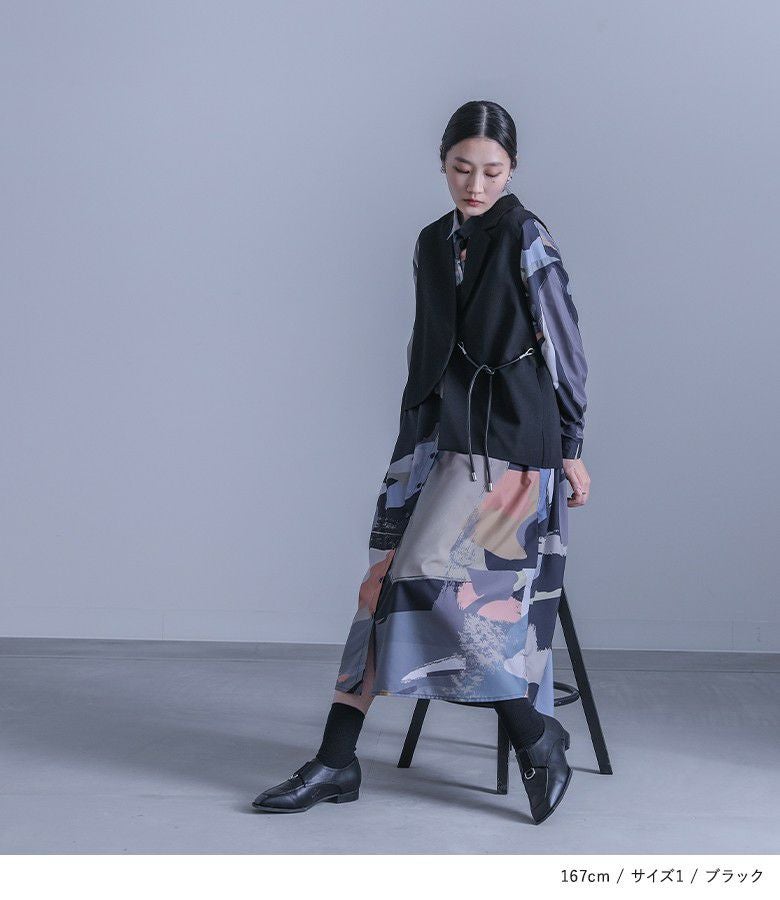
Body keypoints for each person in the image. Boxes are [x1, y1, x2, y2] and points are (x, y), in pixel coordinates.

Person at [252, 100, 590, 824]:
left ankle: (535, 735)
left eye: (492, 171)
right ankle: (337, 759)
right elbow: (424, 347)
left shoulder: (526, 237)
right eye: (462, 169)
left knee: (435, 581)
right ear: (442, 165)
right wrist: (410, 445)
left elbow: (564, 346)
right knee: (378, 588)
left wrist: (572, 446)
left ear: (513, 169)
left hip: (513, 459)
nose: (476, 185)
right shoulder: (433, 242)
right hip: (437, 444)